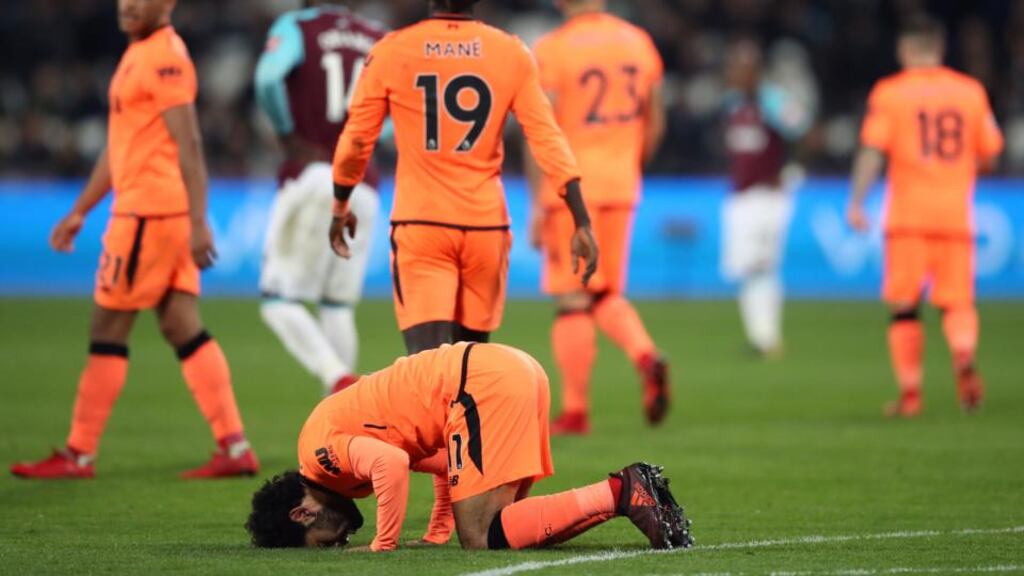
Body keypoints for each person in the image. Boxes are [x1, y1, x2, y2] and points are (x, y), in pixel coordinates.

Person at [10, 0, 258, 480]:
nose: (128, 5)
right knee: (181, 325)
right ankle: (234, 445)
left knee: (107, 328)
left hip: (148, 214)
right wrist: (81, 209)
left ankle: (78, 454)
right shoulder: (137, 51)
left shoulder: (164, 56)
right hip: (155, 211)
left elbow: (189, 142)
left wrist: (200, 221)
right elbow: (120, 144)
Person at [329, 0, 599, 355]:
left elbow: (358, 140)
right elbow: (547, 139)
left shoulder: (393, 50)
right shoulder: (510, 52)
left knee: (427, 367)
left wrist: (341, 203)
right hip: (486, 228)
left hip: (422, 223)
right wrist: (580, 217)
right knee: (470, 369)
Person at [245, 342, 693, 551]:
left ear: (302, 513)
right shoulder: (334, 448)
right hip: (510, 370)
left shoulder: (320, 456)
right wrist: (437, 532)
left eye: (324, 544)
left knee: (481, 537)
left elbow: (392, 463)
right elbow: (439, 463)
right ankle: (627, 494)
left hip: (478, 386)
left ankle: (622, 491)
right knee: (502, 532)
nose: (340, 541)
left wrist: (385, 543)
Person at [848, 15, 1004, 418]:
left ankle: (911, 395)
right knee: (956, 303)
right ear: (939, 48)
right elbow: (990, 152)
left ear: (905, 51)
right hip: (956, 214)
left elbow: (872, 149)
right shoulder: (970, 91)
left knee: (904, 306)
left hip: (908, 217)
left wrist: (857, 201)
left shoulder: (891, 92)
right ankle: (964, 354)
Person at [525, 0, 669, 435]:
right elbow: (655, 120)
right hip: (622, 182)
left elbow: (540, 126)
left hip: (571, 186)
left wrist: (537, 199)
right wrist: (629, 166)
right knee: (604, 290)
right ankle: (645, 354)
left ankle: (575, 411)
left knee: (572, 299)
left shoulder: (553, 48)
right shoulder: (638, 42)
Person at [254, 1, 385, 396]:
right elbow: (403, 107)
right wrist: (368, 141)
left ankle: (338, 379)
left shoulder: (297, 27)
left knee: (278, 300)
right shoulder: (375, 36)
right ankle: (343, 413)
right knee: (337, 304)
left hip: (314, 173)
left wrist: (285, 131)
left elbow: (267, 78)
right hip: (363, 182)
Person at [720, 38, 814, 359]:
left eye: (742, 67)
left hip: (768, 195)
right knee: (747, 268)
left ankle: (766, 337)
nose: (735, 73)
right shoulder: (732, 103)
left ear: (755, 71)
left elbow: (805, 131)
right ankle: (762, 338)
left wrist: (794, 167)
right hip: (740, 195)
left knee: (762, 265)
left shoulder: (772, 100)